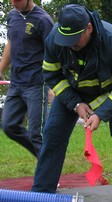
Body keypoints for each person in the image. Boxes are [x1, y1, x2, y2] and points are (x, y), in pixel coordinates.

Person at [31, 4, 112, 202]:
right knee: (52, 134)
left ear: (89, 28)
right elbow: (52, 75)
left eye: (75, 38)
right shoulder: (56, 39)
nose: (70, 45)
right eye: (66, 40)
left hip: (111, 94)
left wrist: (101, 113)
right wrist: (75, 103)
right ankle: (41, 196)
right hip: (73, 94)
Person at [0, 0, 53, 158]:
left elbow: (54, 53)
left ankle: (48, 175)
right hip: (16, 83)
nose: (13, 3)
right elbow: (11, 42)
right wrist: (1, 68)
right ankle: (45, 160)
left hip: (37, 84)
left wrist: (51, 86)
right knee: (9, 126)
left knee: (37, 134)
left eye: (17, 0)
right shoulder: (12, 16)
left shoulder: (43, 20)